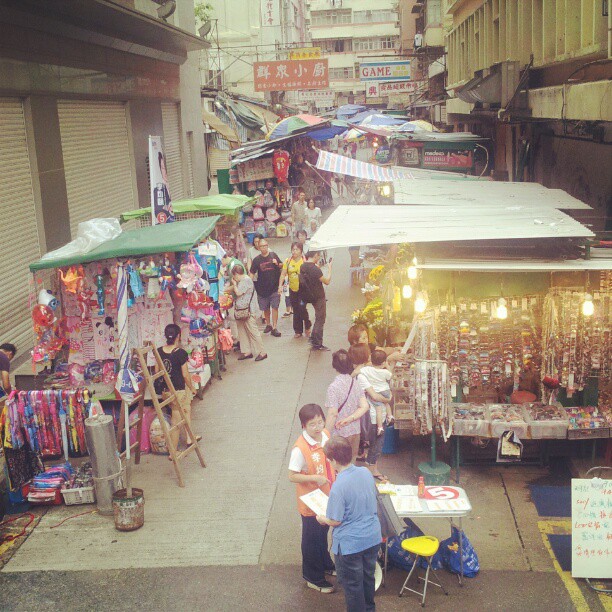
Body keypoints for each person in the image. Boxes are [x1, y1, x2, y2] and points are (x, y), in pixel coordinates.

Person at [316, 436, 382, 612]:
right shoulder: (365, 472)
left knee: (353, 587)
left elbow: (335, 520)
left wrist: (322, 518)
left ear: (333, 461)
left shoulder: (338, 486)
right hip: (372, 537)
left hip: (351, 544)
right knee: (368, 579)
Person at [288, 404, 337, 594]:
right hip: (311, 502)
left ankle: (325, 564)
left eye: (320, 422)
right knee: (311, 538)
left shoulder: (325, 435)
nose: (318, 427)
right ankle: (313, 577)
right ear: (303, 426)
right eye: (312, 424)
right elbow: (292, 476)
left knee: (323, 533)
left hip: (327, 497)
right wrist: (315, 478)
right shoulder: (300, 449)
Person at [156, 325, 197, 449]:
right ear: (178, 336)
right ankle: (172, 452)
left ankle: (190, 437)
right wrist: (192, 387)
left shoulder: (158, 351)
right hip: (178, 391)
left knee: (186, 408)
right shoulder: (180, 353)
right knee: (176, 421)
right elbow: (185, 375)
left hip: (165, 391)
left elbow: (157, 372)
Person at [325, 349, 370, 460]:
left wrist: (325, 434)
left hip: (339, 433)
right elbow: (365, 406)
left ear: (334, 366)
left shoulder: (333, 387)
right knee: (351, 461)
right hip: (355, 431)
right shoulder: (355, 382)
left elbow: (333, 414)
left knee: (338, 464)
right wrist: (350, 419)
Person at [358, 349, 394, 482]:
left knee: (376, 445)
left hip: (376, 414)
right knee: (376, 446)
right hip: (373, 417)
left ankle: (372, 469)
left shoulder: (365, 371)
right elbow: (376, 396)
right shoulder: (382, 373)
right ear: (383, 362)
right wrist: (387, 399)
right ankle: (370, 471)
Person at [229, 264, 267, 362]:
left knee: (253, 331)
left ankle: (262, 352)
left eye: (234, 276)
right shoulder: (244, 280)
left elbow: (238, 293)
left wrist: (234, 284)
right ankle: (246, 351)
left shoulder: (245, 280)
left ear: (236, 274)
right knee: (242, 330)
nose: (234, 278)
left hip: (248, 311)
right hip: (242, 310)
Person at [299, 250, 332, 351]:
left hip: (309, 295)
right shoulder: (315, 269)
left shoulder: (303, 266)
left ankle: (313, 338)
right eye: (318, 256)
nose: (319, 258)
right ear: (315, 256)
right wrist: (330, 268)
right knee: (320, 319)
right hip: (318, 296)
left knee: (318, 318)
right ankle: (317, 343)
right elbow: (327, 281)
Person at [278, 242, 311, 339]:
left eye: (297, 249)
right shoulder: (288, 261)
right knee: (295, 310)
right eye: (293, 249)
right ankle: (298, 331)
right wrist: (280, 286)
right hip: (292, 289)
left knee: (302, 308)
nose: (294, 251)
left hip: (303, 290)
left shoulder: (305, 261)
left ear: (301, 251)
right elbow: (283, 274)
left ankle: (307, 324)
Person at [250, 239, 282, 337]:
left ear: (268, 246)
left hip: (274, 287)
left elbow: (282, 265)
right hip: (262, 288)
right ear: (259, 248)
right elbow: (252, 272)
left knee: (275, 307)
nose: (264, 248)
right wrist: (248, 284)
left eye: (265, 246)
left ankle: (275, 327)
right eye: (262, 246)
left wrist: (277, 263)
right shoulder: (256, 260)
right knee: (265, 308)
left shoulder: (273, 255)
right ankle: (268, 324)